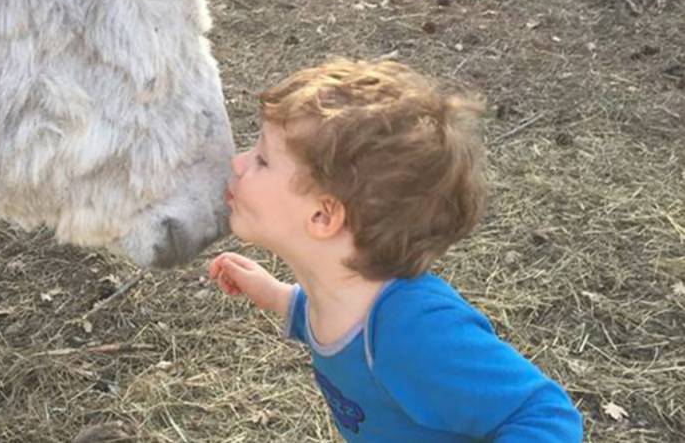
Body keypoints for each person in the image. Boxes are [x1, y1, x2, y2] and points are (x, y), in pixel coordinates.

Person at [208, 59, 583, 442]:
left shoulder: (415, 331)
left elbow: (544, 415)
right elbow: (341, 323)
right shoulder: (345, 299)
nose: (238, 163)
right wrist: (279, 297)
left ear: (323, 216)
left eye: (262, 159)